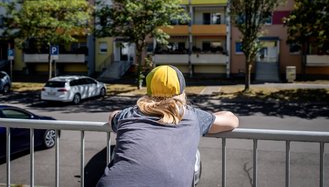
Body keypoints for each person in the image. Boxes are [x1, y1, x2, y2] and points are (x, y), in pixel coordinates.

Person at [97, 65, 239, 187]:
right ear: (181, 91)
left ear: (149, 91)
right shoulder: (192, 116)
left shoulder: (129, 114)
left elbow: (112, 116)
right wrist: (215, 114)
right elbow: (232, 121)